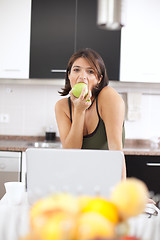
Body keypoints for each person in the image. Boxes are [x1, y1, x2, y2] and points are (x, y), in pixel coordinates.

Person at [55, 48, 126, 179]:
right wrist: (79, 111)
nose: (82, 76)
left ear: (99, 79)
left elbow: (116, 150)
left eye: (90, 71)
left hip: (106, 178)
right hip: (76, 179)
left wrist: (123, 192)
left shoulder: (108, 96)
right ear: (69, 75)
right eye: (76, 70)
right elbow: (71, 152)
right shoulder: (62, 107)